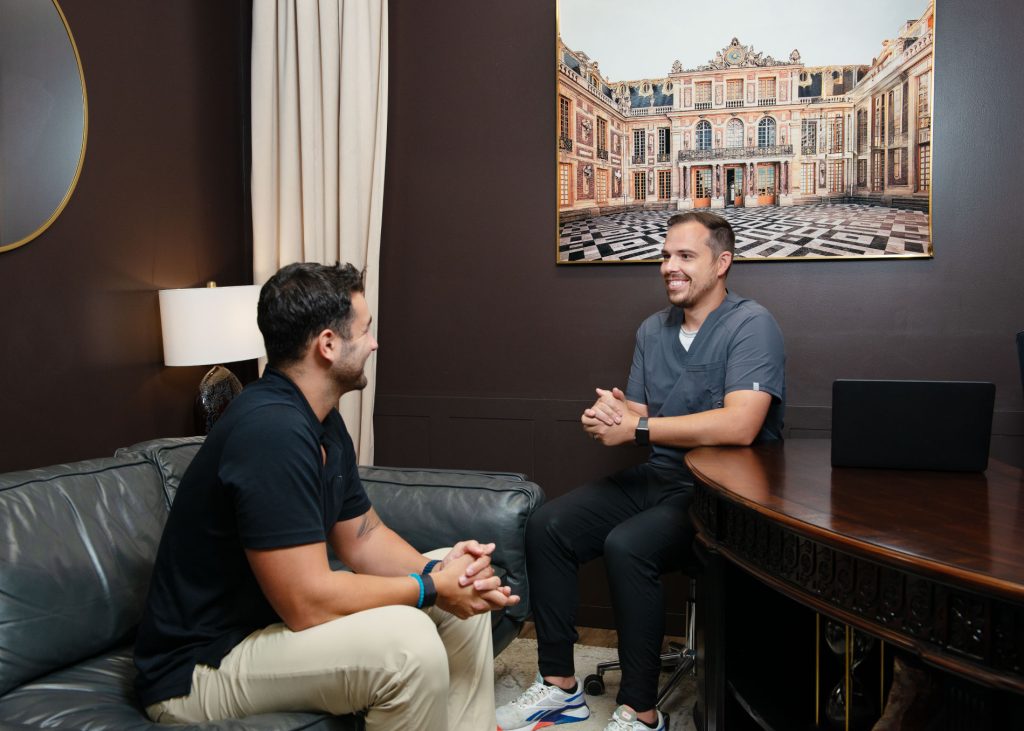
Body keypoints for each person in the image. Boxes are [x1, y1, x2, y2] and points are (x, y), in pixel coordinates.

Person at [134, 262, 519, 730]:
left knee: (459, 596)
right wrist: (430, 588)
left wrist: (444, 574)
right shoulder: (270, 431)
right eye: (366, 330)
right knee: (408, 643)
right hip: (199, 669)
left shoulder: (320, 418)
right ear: (328, 345)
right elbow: (307, 602)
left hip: (265, 631)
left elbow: (363, 537)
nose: (375, 343)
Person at [496, 211, 785, 731]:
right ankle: (559, 686)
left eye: (685, 256)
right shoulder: (653, 330)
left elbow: (742, 424)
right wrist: (608, 416)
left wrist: (640, 428)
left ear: (722, 263)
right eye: (665, 255)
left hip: (721, 493)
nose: (668, 267)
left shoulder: (752, 325)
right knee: (547, 526)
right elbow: (638, 415)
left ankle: (641, 711)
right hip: (660, 476)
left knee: (628, 545)